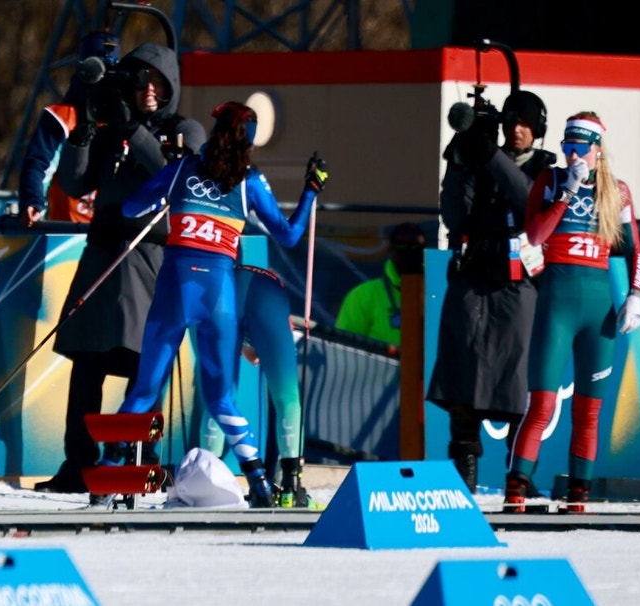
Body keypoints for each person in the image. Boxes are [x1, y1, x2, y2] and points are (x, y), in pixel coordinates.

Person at [104, 101, 325, 508]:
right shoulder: (249, 181)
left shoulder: (181, 170)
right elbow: (290, 236)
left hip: (173, 291)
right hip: (219, 295)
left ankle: (106, 478)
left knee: (144, 390)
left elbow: (130, 207)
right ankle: (258, 484)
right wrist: (310, 191)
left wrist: (166, 182)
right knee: (222, 397)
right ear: (250, 143)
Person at [34, 42, 207, 494]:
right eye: (141, 79)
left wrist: (135, 128)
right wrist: (84, 130)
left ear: (171, 85)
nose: (150, 89)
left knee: (143, 364)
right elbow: (73, 183)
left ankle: (139, 461)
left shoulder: (183, 128)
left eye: (159, 81)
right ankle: (78, 463)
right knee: (86, 365)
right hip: (102, 257)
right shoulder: (112, 127)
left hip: (149, 259)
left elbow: (176, 176)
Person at [505, 112, 640, 513]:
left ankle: (578, 499)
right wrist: (567, 191)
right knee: (543, 403)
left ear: (597, 150)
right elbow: (534, 236)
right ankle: (516, 490)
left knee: (589, 410)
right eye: (567, 146)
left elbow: (634, 248)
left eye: (579, 148)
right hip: (558, 304)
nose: (571, 154)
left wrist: (635, 294)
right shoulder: (549, 181)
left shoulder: (616, 191)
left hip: (598, 308)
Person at [426, 90, 556, 493]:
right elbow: (454, 214)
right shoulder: (481, 160)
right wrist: (459, 160)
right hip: (472, 276)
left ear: (537, 129)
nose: (517, 130)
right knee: (460, 376)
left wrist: (490, 156)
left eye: (526, 124)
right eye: (511, 122)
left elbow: (528, 199)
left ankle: (520, 476)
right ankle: (463, 474)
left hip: (518, 284)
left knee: (517, 380)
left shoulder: (546, 169)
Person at [201, 264, 312, 507]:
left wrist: (246, 344)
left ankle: (204, 480)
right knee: (287, 396)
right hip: (266, 290)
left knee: (219, 396)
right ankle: (291, 487)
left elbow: (251, 353)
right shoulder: (270, 291)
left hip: (224, 285)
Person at [18, 33, 116, 227]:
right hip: (65, 232)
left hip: (109, 233)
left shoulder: (124, 121)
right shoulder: (62, 117)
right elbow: (38, 164)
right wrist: (33, 201)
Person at [335, 222, 426, 346]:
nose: (409, 253)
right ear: (390, 250)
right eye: (402, 246)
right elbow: (344, 346)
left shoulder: (436, 294)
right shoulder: (363, 295)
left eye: (415, 248)